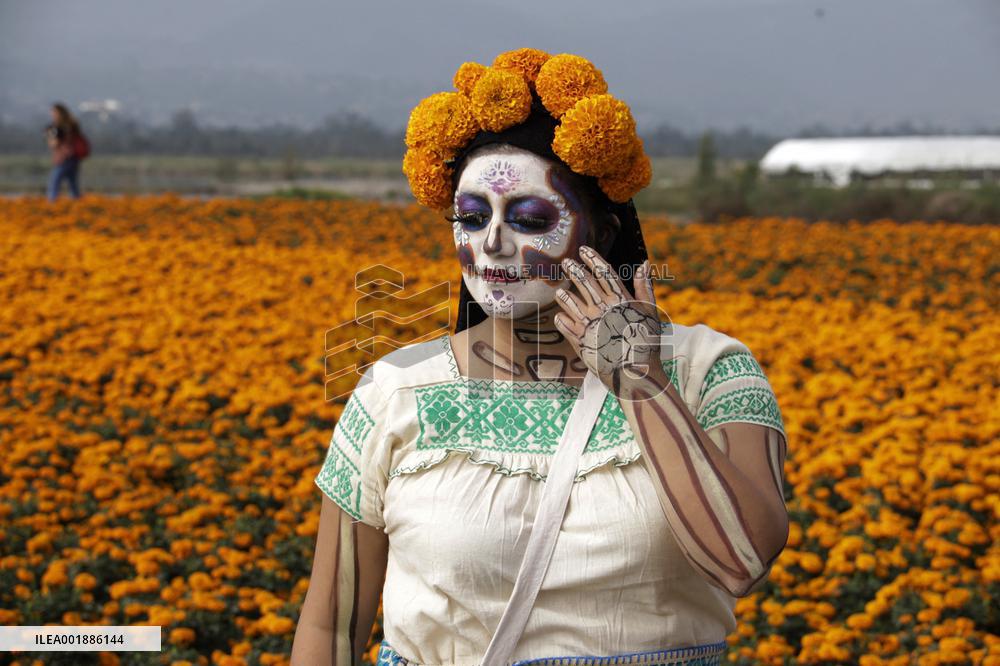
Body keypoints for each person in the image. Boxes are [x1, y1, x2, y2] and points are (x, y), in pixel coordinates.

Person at [292, 49, 789, 666]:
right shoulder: (394, 392)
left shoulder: (711, 372)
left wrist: (639, 380)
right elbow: (330, 631)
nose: (492, 242)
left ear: (603, 233)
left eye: (529, 218)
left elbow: (740, 559)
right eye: (471, 217)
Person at [45, 102, 86, 201]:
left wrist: (50, 137)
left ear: (59, 113)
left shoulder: (60, 127)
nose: (52, 114)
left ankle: (52, 204)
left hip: (64, 158)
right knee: (73, 185)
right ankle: (78, 205)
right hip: (73, 158)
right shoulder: (72, 124)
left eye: (54, 112)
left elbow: (55, 144)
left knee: (54, 183)